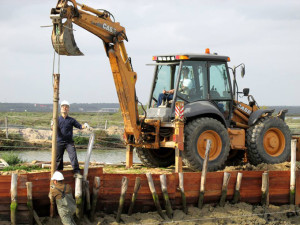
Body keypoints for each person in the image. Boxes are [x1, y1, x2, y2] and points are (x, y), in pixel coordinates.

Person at [52, 100, 89, 177]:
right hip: (59, 141)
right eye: (63, 106)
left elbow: (79, 126)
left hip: (69, 142)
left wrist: (85, 125)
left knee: (73, 157)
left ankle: (77, 173)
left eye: (66, 107)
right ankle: (59, 173)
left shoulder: (71, 120)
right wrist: (52, 124)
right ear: (60, 108)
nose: (64, 108)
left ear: (68, 109)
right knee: (58, 159)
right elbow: (53, 128)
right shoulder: (57, 119)